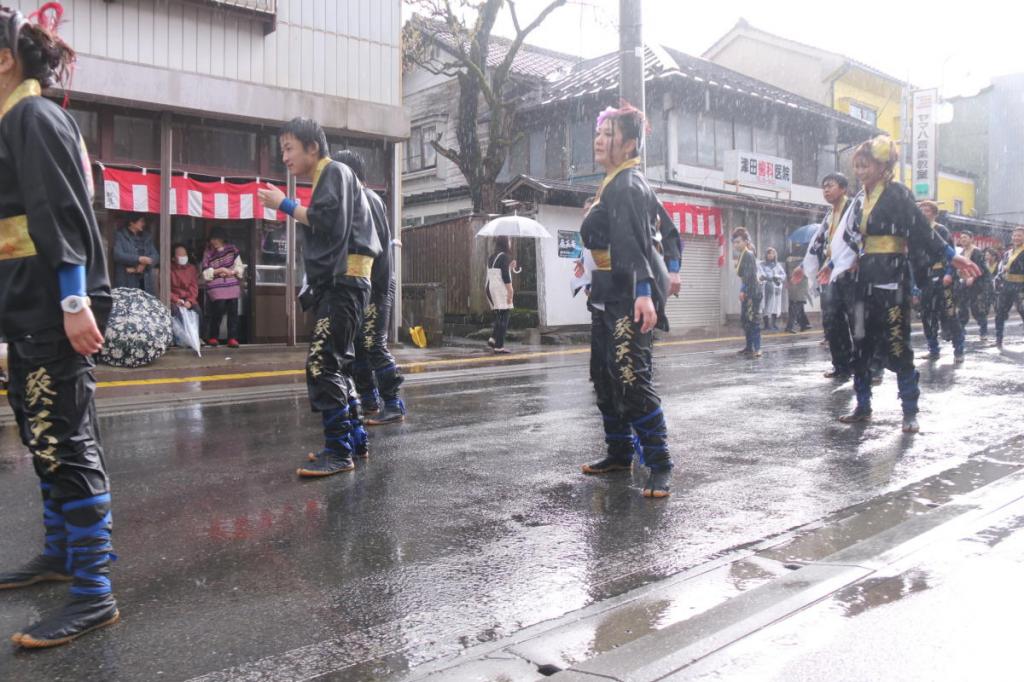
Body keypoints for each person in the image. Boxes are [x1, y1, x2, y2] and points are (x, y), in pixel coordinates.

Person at [0, 3, 120, 647]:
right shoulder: (14, 119)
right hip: (28, 308)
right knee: (40, 430)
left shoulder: (33, 116)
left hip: (57, 307)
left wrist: (76, 304)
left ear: (4, 60)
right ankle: (59, 554)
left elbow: (61, 217)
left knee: (68, 442)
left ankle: (94, 591)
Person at [819, 136, 979, 433]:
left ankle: (909, 411)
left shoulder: (897, 194)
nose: (861, 172)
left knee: (898, 345)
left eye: (865, 165)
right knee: (862, 344)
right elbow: (850, 239)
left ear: (883, 165)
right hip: (864, 278)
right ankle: (863, 406)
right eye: (857, 166)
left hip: (893, 276)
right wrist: (832, 264)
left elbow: (921, 229)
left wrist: (950, 255)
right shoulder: (860, 200)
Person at [258, 117, 380, 477]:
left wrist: (284, 204)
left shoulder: (334, 172)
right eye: (283, 149)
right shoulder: (333, 175)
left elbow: (327, 222)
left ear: (313, 147)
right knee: (337, 364)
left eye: (289, 148)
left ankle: (339, 450)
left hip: (345, 284)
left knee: (322, 363)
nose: (285, 157)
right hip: (349, 283)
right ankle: (352, 441)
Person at [578, 103, 679, 498]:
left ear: (631, 143)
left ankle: (659, 463)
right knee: (605, 377)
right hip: (608, 292)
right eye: (599, 133)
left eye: (609, 134)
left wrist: (644, 293)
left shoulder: (627, 185)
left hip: (627, 294)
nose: (600, 141)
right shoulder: (615, 183)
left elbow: (633, 244)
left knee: (632, 378)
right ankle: (619, 453)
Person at [333, 149, 407, 426]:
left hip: (375, 286)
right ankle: (370, 402)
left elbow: (371, 250)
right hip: (363, 286)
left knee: (373, 344)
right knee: (359, 346)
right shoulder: (357, 200)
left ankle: (393, 404)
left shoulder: (367, 199)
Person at [797, 173, 855, 379]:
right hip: (830, 274)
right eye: (824, 187)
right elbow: (817, 242)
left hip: (850, 273)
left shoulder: (853, 209)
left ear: (843, 189)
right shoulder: (829, 215)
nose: (826, 190)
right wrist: (803, 266)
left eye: (830, 186)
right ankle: (841, 365)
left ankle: (867, 366)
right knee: (832, 321)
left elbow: (857, 240)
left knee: (858, 322)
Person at [915, 201, 965, 362]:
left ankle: (959, 349)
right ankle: (933, 349)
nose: (923, 212)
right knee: (927, 315)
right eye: (920, 210)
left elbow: (950, 256)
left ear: (934, 214)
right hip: (925, 279)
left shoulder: (941, 230)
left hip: (942, 276)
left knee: (950, 313)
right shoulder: (915, 231)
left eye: (927, 210)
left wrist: (949, 274)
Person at [201, 227, 245, 348]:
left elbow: (239, 267)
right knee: (218, 309)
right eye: (212, 239)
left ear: (222, 239)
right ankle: (213, 336)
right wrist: (219, 270)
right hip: (216, 284)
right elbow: (205, 272)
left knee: (233, 310)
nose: (214, 241)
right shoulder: (208, 252)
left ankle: (232, 337)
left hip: (231, 281)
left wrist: (232, 272)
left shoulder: (232, 249)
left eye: (216, 239)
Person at [954, 230, 990, 339]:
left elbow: (982, 268)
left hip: (977, 284)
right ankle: (961, 329)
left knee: (977, 309)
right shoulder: (961, 253)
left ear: (971, 239)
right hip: (964, 283)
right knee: (962, 307)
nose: (963, 239)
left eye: (965, 237)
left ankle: (983, 331)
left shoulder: (977, 252)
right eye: (961, 237)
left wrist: (973, 277)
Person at [112, 212, 159, 294]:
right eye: (141, 221)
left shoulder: (147, 236)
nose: (143, 224)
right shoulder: (120, 235)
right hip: (126, 280)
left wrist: (144, 264)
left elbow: (156, 256)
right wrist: (139, 259)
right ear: (131, 222)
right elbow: (117, 255)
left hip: (145, 282)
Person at [732, 227, 761, 358]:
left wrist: (744, 290)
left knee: (752, 320)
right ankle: (749, 347)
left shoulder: (748, 254)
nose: (736, 244)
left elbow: (749, 275)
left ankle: (756, 348)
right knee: (746, 320)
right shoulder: (743, 254)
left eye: (738, 241)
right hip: (749, 291)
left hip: (752, 292)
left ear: (745, 241)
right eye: (734, 242)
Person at [994, 227, 1024, 348]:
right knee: (1000, 313)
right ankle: (998, 338)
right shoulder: (1007, 253)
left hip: (1021, 287)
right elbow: (1001, 269)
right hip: (1007, 286)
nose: (1016, 238)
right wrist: (998, 278)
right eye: (1015, 235)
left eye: (1020, 236)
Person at [486, 235, 514, 354]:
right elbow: (505, 276)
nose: (510, 242)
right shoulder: (504, 257)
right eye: (509, 240)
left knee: (499, 315)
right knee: (505, 315)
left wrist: (510, 267)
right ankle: (499, 346)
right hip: (500, 289)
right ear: (505, 242)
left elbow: (498, 272)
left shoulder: (492, 257)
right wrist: (510, 292)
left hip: (491, 288)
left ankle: (493, 339)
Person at [784, 247, 811, 334]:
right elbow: (807, 273)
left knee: (795, 306)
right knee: (796, 307)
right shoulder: (804, 262)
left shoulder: (788, 261)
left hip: (793, 286)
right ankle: (790, 327)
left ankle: (804, 324)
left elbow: (787, 274)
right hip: (801, 286)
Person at [758, 247, 785, 331]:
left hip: (776, 288)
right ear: (766, 255)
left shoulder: (777, 265)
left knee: (776, 306)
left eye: (772, 253)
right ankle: (766, 324)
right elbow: (760, 274)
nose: (770, 255)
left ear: (775, 255)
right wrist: (768, 277)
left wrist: (777, 277)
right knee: (767, 305)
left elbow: (783, 275)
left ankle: (773, 324)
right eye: (769, 253)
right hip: (767, 287)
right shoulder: (762, 264)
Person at [170, 243, 199, 312]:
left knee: (198, 311)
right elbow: (166, 290)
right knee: (175, 312)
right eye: (180, 255)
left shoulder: (191, 268)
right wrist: (176, 300)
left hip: (188, 299)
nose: (183, 257)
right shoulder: (168, 269)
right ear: (173, 258)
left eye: (184, 254)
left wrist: (190, 301)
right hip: (173, 300)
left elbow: (194, 287)